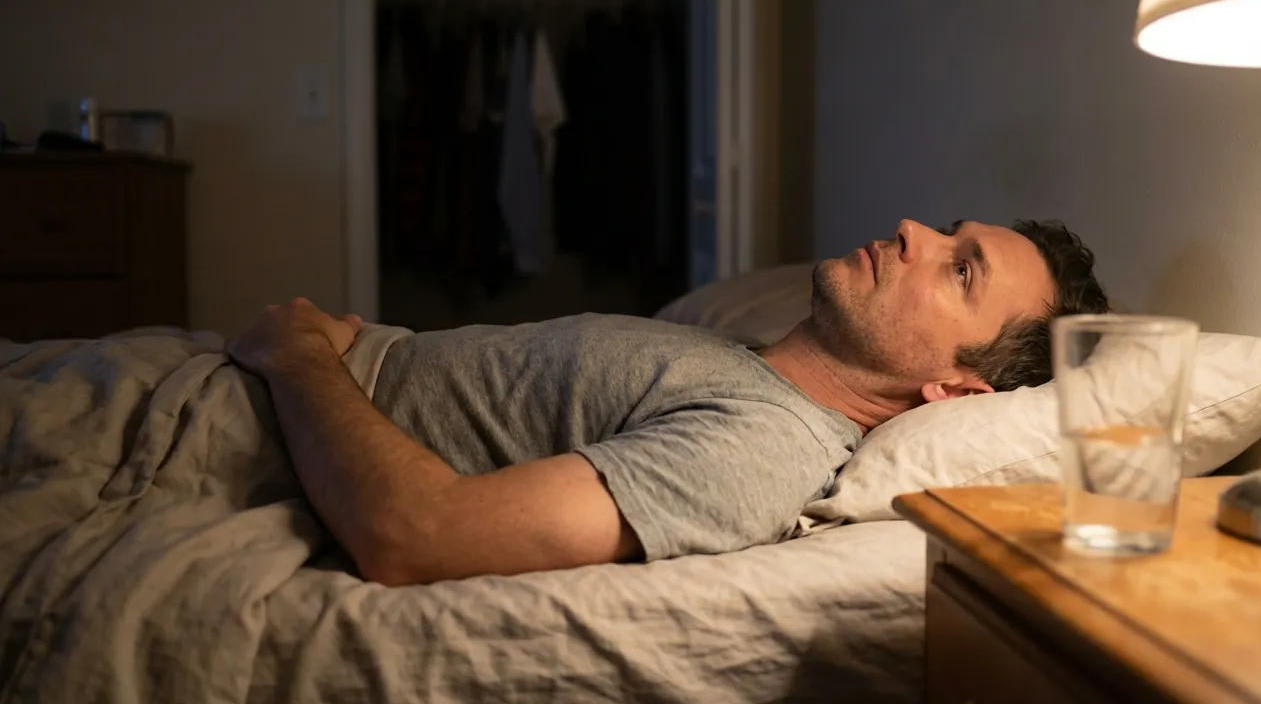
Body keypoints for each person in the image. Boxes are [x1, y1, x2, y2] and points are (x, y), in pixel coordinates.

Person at [227, 219, 1108, 586]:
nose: (914, 231)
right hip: (250, 379)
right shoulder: (740, 359)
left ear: (956, 390)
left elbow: (414, 536)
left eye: (959, 270)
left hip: (233, 422)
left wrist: (300, 357)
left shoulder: (763, 446)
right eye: (949, 231)